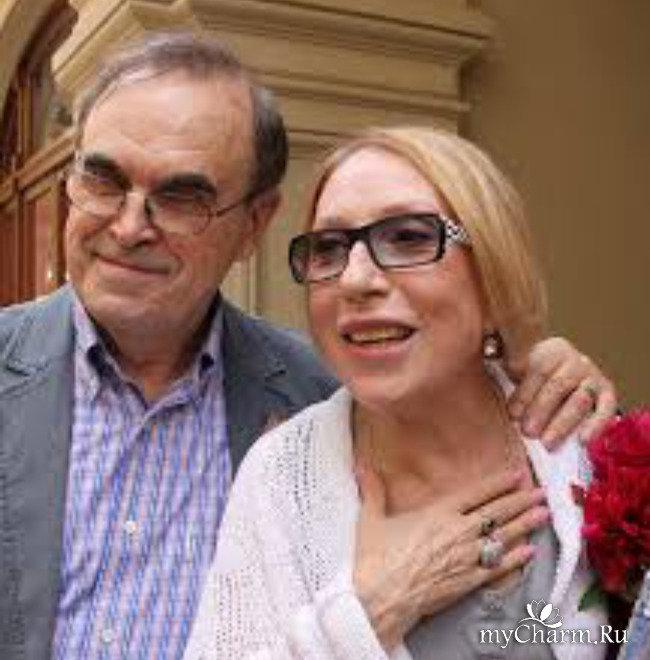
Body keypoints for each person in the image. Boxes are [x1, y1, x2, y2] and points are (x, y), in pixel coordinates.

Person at [0, 34, 614, 660]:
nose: (130, 226)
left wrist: (534, 363)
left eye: (183, 197)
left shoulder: (322, 390)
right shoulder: (291, 463)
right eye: (103, 180)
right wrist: (367, 614)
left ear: (253, 226)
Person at [184, 126, 618, 660]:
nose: (354, 279)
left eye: (409, 237)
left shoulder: (587, 447)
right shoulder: (279, 479)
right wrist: (366, 615)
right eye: (328, 248)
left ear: (494, 272)